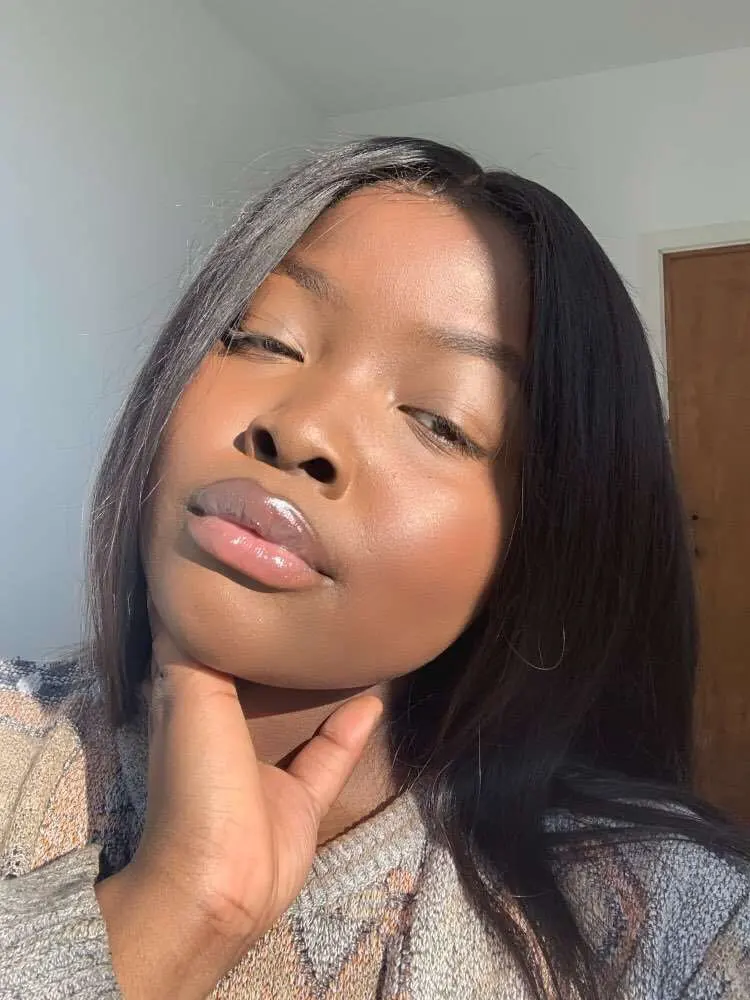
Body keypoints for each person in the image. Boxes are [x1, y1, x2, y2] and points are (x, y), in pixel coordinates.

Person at [0, 136, 748, 1000]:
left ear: (539, 548)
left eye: (439, 420)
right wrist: (172, 916)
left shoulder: (678, 928)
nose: (302, 429)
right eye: (265, 339)